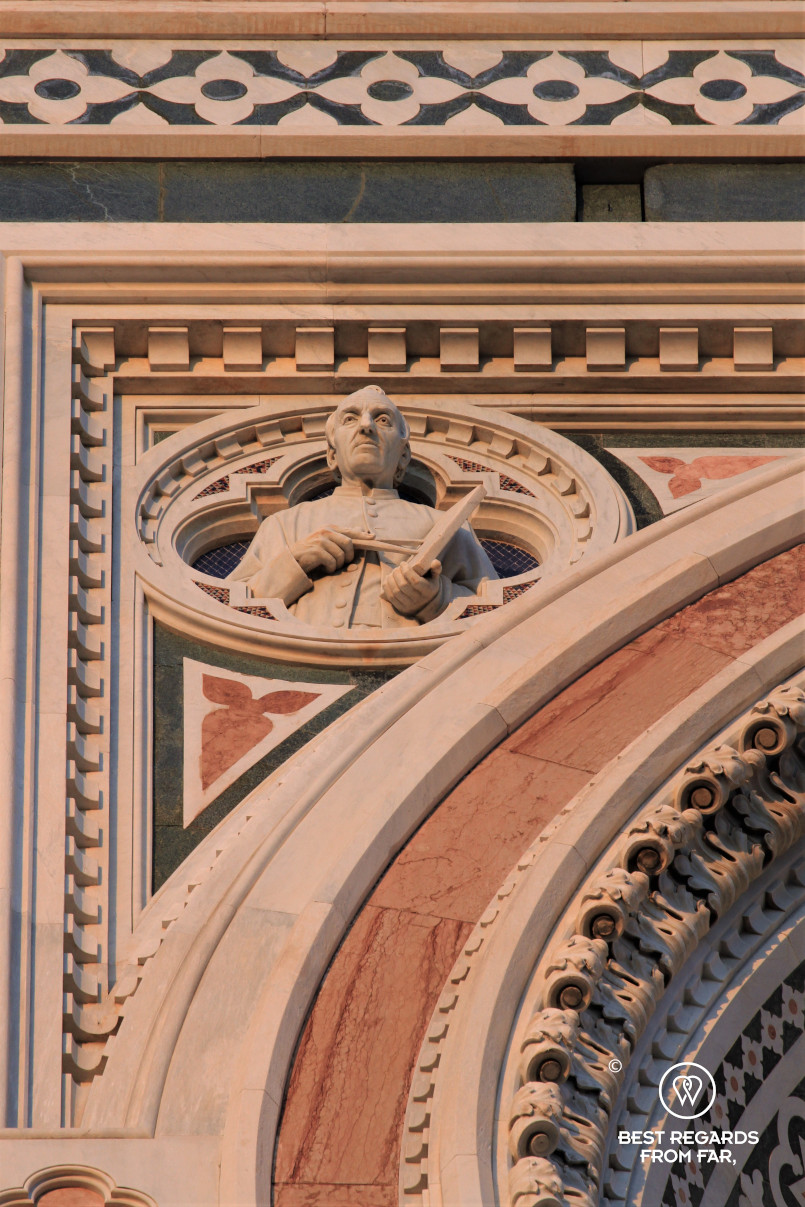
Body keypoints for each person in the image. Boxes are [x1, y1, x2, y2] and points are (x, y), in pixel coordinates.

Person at [228, 385, 497, 629]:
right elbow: (233, 607)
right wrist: (296, 561)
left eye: (382, 420)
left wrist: (435, 598)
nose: (366, 426)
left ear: (403, 456)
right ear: (332, 455)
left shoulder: (448, 526)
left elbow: (497, 613)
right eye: (350, 418)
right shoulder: (285, 524)